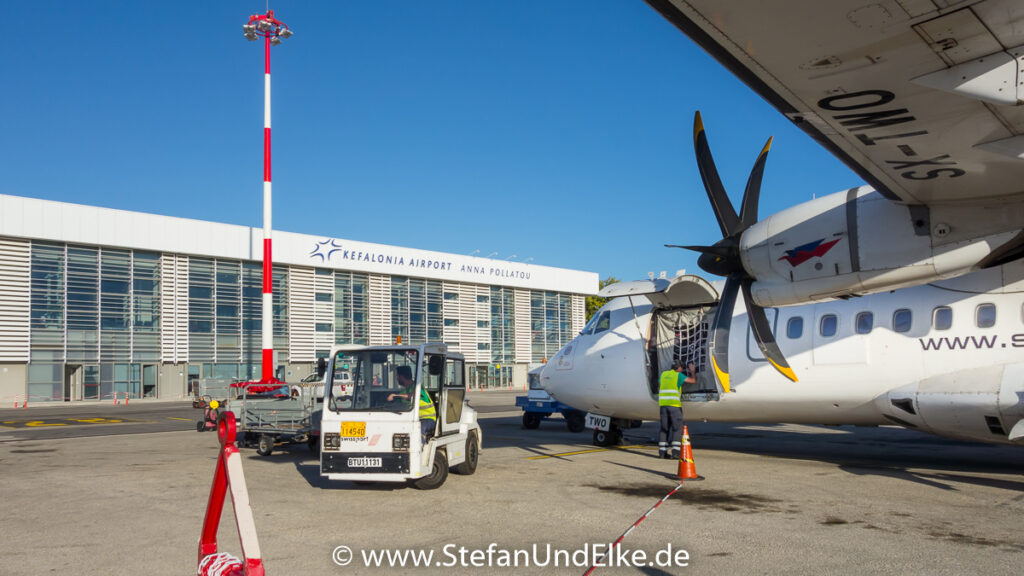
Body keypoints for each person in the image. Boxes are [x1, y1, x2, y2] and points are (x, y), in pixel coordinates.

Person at [386, 365, 437, 442]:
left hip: (428, 419)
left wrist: (395, 395)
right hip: (411, 419)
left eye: (397, 376)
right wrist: (390, 400)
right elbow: (397, 403)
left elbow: (412, 395)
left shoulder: (419, 387)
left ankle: (419, 448)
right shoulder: (403, 391)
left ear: (402, 376)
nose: (396, 378)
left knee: (419, 427)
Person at [658, 361, 696, 459]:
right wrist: (692, 371)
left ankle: (662, 453)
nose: (682, 370)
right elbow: (693, 381)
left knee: (664, 429)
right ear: (678, 367)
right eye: (682, 368)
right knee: (677, 429)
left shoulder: (663, 374)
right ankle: (676, 453)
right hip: (674, 406)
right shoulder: (679, 375)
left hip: (663, 406)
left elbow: (659, 383)